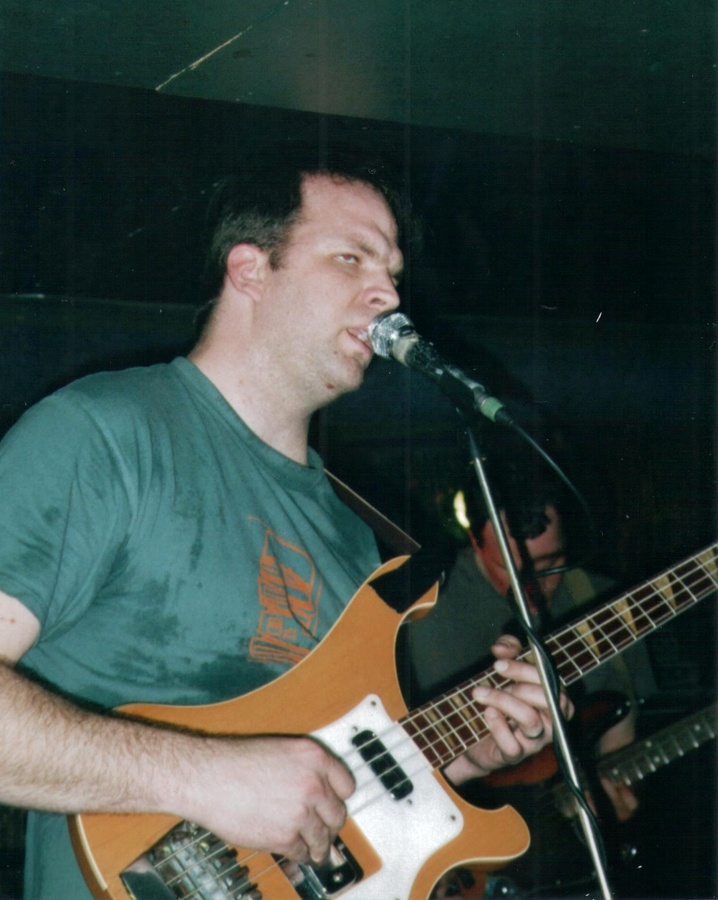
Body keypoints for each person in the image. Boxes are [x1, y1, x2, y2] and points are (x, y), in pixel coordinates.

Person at [0, 149, 569, 899]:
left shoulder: (353, 536)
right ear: (250, 270)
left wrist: (466, 754)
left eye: (393, 272)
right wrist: (206, 779)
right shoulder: (104, 434)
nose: (388, 294)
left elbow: (339, 792)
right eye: (352, 258)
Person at [403, 460, 656, 896]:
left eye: (551, 564)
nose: (533, 587)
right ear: (474, 541)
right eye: (512, 571)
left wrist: (618, 788)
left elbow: (624, 725)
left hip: (573, 860)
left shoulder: (605, 601)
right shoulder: (428, 608)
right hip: (468, 856)